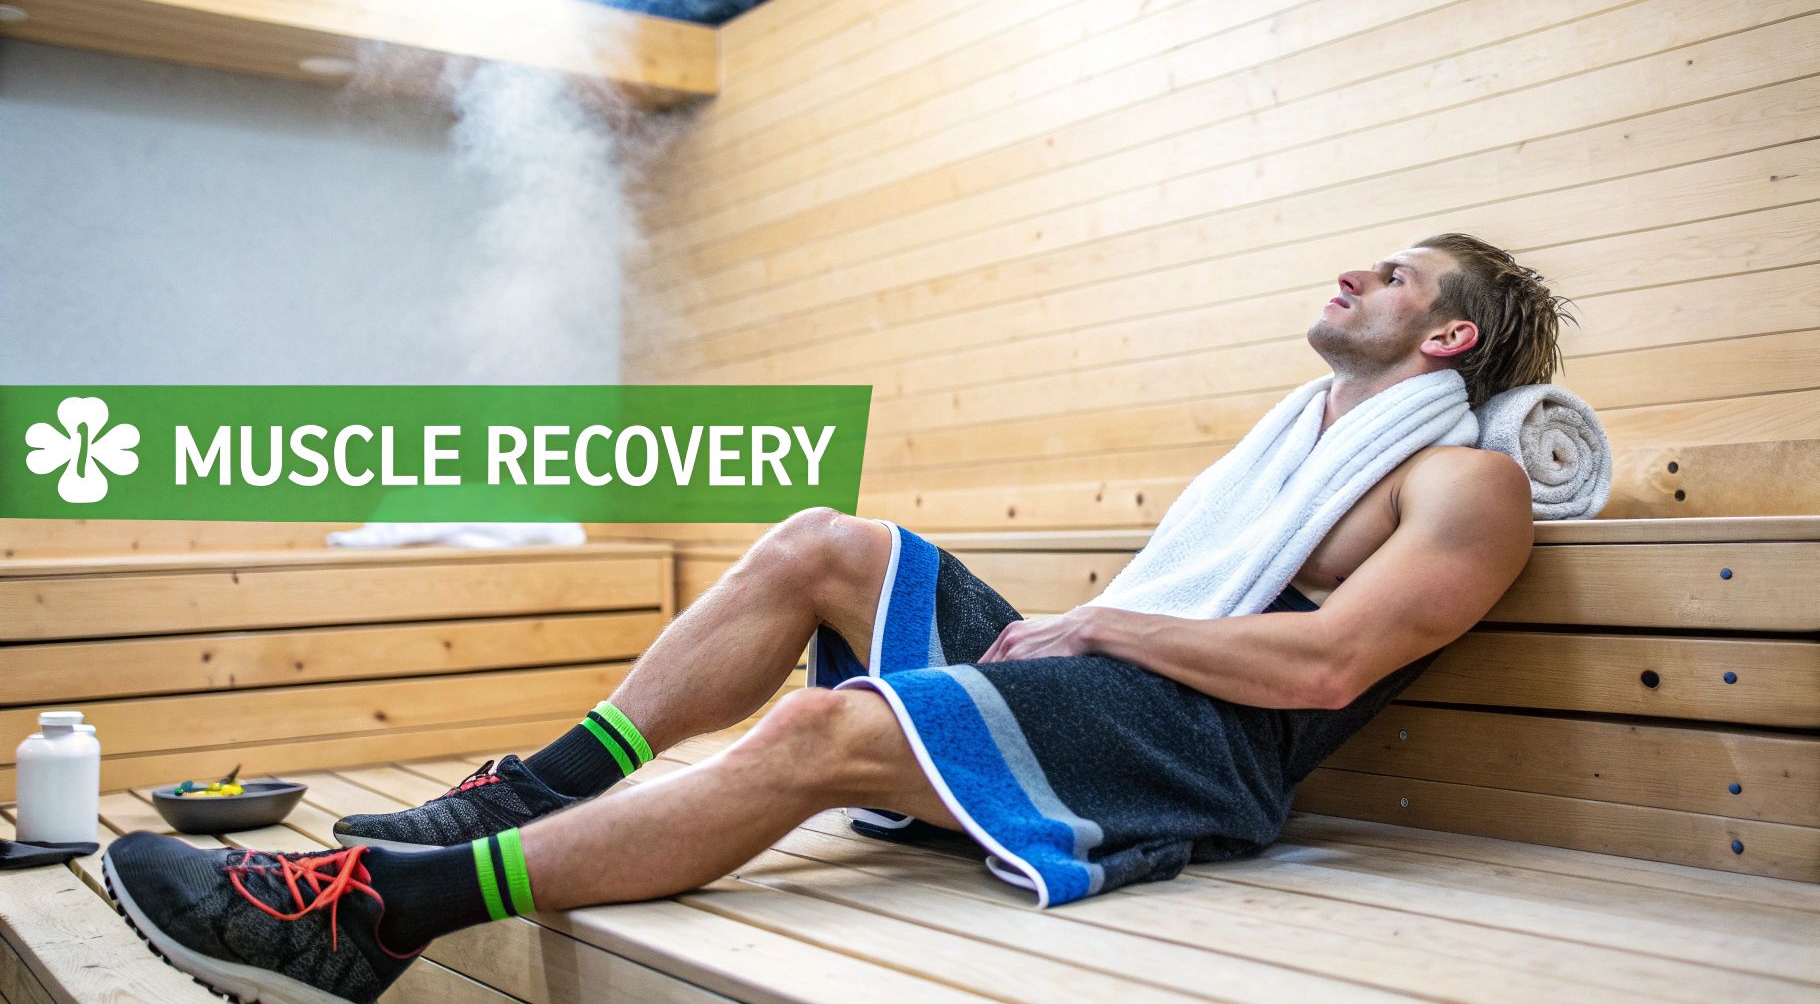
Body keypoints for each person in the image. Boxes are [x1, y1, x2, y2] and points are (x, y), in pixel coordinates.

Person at [102, 233, 1570, 1004]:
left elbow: (1330, 662)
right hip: (1115, 685)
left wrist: (1105, 628)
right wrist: (1094, 630)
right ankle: (534, 792)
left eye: (1394, 274)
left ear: (1449, 336)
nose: (1352, 272)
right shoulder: (1298, 441)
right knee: (825, 541)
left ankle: (373, 916)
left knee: (822, 725)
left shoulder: (1467, 481)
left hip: (1196, 754)